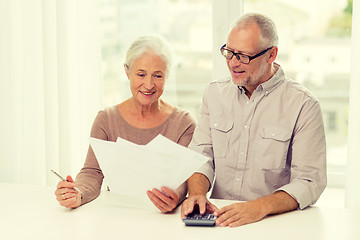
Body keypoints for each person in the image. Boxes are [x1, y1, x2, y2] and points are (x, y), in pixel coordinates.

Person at [181, 12, 327, 227]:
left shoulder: (303, 105)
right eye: (229, 53)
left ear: (271, 54)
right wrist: (197, 193)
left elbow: (310, 181)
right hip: (221, 221)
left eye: (243, 56)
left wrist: (259, 207)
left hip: (274, 223)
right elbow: (201, 155)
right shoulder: (214, 94)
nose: (233, 63)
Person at [54, 35, 196, 213]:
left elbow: (185, 179)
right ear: (127, 72)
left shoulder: (184, 124)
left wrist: (174, 197)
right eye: (141, 74)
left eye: (158, 75)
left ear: (167, 76)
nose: (149, 84)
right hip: (118, 214)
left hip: (166, 219)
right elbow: (92, 172)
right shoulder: (106, 119)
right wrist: (78, 194)